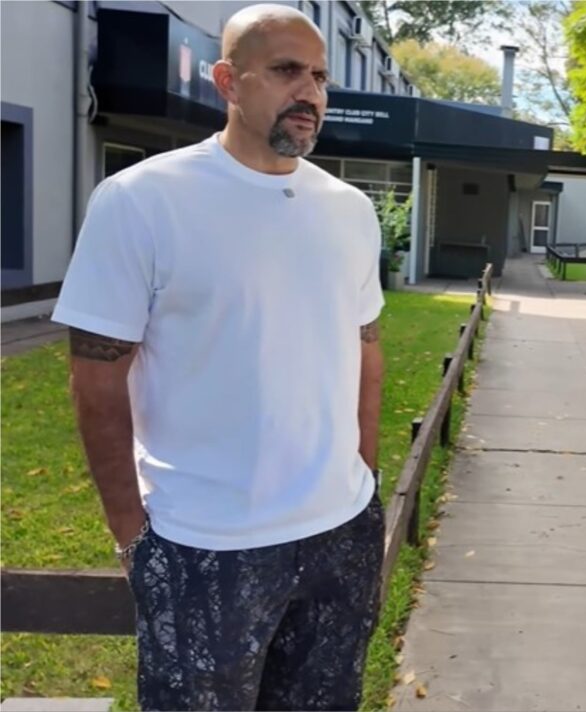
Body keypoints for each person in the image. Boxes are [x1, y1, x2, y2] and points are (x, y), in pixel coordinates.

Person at [52, 5, 386, 709]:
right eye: (288, 70)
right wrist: (131, 536)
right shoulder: (142, 200)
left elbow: (366, 347)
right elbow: (95, 377)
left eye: (320, 75)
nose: (312, 92)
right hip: (204, 545)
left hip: (339, 535)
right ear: (228, 81)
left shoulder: (349, 209)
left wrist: (364, 478)